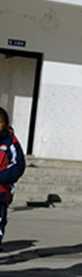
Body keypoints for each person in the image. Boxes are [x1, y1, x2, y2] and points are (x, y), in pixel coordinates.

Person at [0, 107, 26, 251]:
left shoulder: (11, 142)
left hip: (1, 191)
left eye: (0, 122)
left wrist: (2, 176)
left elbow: (18, 165)